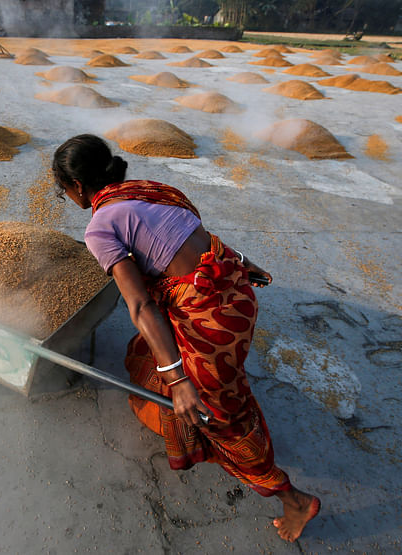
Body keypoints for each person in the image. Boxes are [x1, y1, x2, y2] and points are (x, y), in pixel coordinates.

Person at [52, 134, 320, 542]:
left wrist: (178, 381)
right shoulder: (154, 193)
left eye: (62, 189)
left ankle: (294, 499)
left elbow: (141, 307)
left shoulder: (100, 227)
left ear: (76, 187)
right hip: (235, 294)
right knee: (148, 354)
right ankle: (203, 413)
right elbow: (203, 241)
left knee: (222, 417)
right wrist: (249, 266)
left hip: (211, 324)